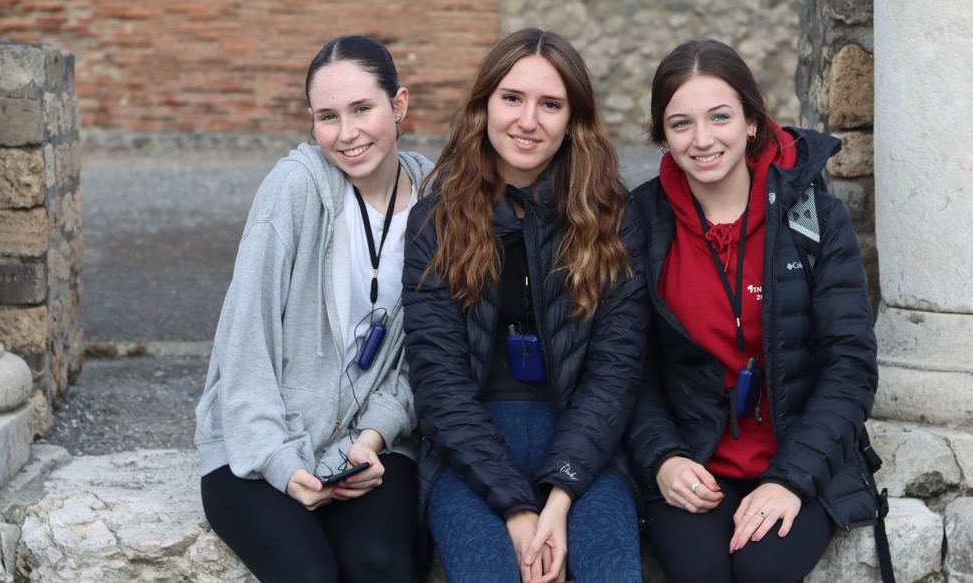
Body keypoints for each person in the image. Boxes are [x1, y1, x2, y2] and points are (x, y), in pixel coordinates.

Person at [625, 39, 880, 583]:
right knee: (700, 572)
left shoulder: (816, 217)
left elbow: (850, 367)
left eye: (720, 117)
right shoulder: (639, 221)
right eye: (681, 124)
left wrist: (791, 479)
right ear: (662, 137)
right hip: (692, 460)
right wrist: (663, 458)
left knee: (763, 570)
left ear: (752, 122)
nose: (703, 140)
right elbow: (628, 367)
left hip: (800, 455)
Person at [401, 28, 650, 583]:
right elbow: (439, 386)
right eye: (512, 98)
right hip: (468, 451)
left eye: (550, 105)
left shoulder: (613, 218)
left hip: (584, 445)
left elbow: (615, 372)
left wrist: (559, 497)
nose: (528, 121)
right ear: (484, 106)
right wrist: (516, 507)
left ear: (573, 120)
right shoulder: (435, 222)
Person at [195, 35, 433, 583]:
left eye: (362, 109)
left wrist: (373, 439)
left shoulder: (438, 201)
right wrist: (282, 464)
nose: (346, 134)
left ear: (398, 106)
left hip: (367, 443)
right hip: (256, 444)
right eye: (327, 117)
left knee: (385, 564)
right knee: (308, 575)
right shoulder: (294, 188)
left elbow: (425, 356)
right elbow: (244, 345)